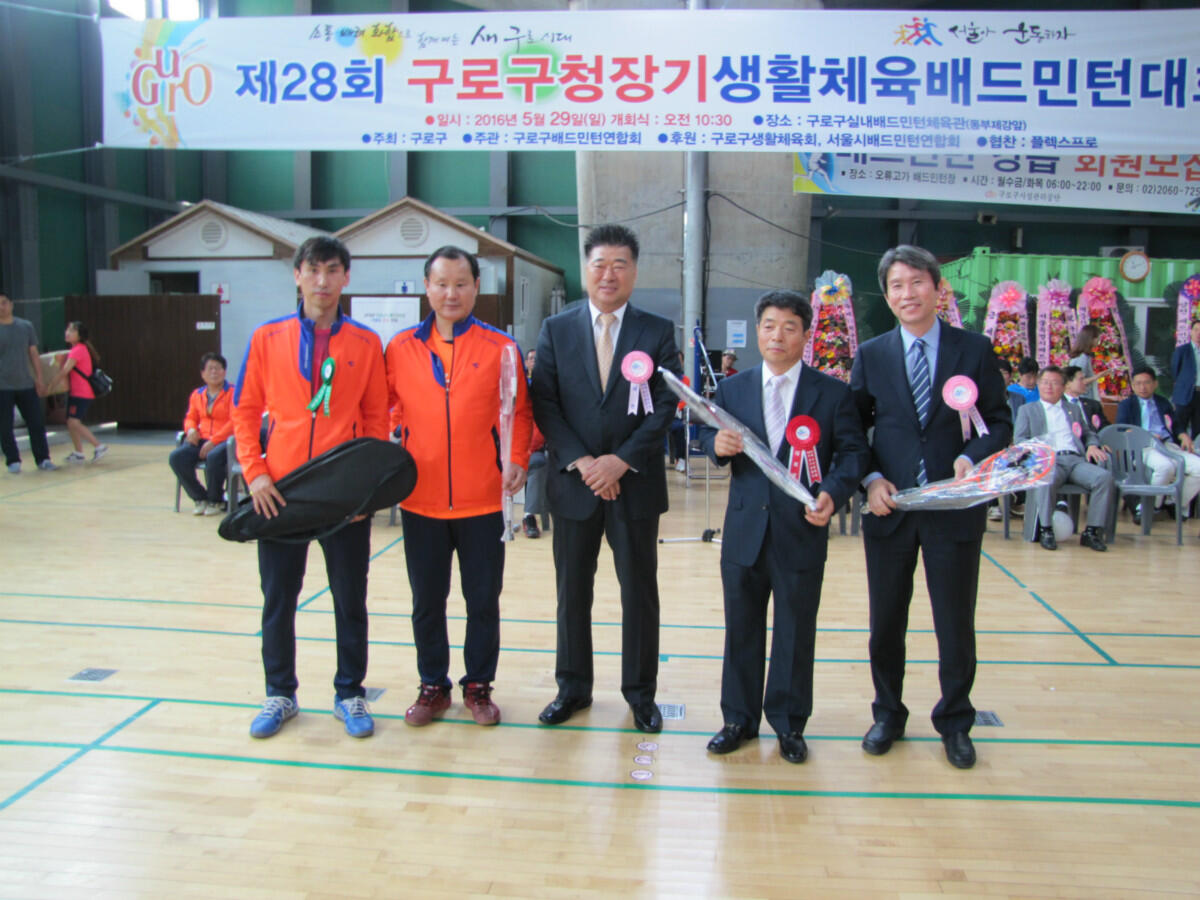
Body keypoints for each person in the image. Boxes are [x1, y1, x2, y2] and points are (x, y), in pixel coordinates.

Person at [850, 244, 1011, 770]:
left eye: (917, 282)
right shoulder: (871, 354)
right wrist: (871, 479)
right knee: (885, 623)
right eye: (896, 285)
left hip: (954, 507)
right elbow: (852, 430)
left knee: (955, 622)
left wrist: (971, 457)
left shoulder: (974, 350)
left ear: (938, 289)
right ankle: (887, 714)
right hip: (890, 510)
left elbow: (999, 421)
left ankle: (955, 722)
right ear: (887, 296)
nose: (907, 294)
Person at [698, 291, 868, 764]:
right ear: (758, 331)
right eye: (769, 325)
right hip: (744, 532)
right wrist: (716, 446)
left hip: (802, 530)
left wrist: (832, 493)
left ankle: (790, 724)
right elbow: (708, 436)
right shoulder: (733, 389)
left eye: (790, 327)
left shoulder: (832, 393)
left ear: (805, 335)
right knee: (741, 628)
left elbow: (853, 453)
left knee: (795, 631)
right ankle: (738, 719)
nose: (778, 335)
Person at [233, 236, 389, 740]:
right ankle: (280, 692)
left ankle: (350, 693)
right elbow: (244, 411)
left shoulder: (366, 343)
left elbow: (375, 421)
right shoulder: (266, 338)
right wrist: (256, 472)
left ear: (347, 277)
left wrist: (364, 492)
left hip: (344, 498)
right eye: (314, 270)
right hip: (280, 493)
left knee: (350, 598)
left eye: (333, 270)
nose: (323, 281)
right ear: (297, 275)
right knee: (278, 598)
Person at [530, 224, 681, 733]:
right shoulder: (557, 329)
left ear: (634, 271)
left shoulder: (657, 331)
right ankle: (572, 688)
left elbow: (667, 404)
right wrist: (584, 463)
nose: (609, 274)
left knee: (639, 593)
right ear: (585, 270)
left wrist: (621, 461)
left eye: (620, 264)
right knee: (572, 592)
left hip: (634, 486)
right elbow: (544, 402)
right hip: (575, 486)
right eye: (600, 264)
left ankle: (641, 695)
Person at [385, 246, 532, 727]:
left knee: (482, 601)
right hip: (420, 501)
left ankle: (478, 686)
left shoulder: (501, 348)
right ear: (426, 287)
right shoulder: (400, 348)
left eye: (461, 284)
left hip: (482, 501)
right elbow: (388, 407)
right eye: (442, 283)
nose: (452, 293)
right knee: (426, 602)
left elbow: (521, 413)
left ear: (476, 287)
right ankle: (433, 686)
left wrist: (516, 459)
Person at [1014, 365, 1113, 552]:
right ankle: (1046, 529)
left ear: (1063, 386)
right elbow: (1020, 440)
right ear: (1038, 385)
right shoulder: (1027, 410)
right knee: (1046, 476)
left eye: (1054, 383)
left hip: (1075, 460)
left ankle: (1092, 531)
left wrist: (1092, 445)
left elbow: (1088, 433)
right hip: (1049, 461)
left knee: (1103, 478)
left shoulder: (1073, 409)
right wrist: (1038, 453)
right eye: (1045, 382)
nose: (1049, 387)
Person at [1116, 365, 1200, 522]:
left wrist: (1183, 435)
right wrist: (1145, 435)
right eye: (1138, 383)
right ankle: (1150, 506)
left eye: (1147, 382)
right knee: (1165, 466)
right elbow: (1122, 429)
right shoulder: (1127, 405)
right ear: (1133, 386)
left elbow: (1176, 425)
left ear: (1155, 384)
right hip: (1143, 447)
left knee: (1198, 467)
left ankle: (1173, 502)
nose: (1143, 387)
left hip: (1166, 445)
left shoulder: (1163, 403)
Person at [168, 352, 234, 515]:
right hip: (202, 439)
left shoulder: (233, 393)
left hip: (226, 441)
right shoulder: (197, 395)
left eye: (218, 368)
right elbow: (190, 417)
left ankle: (215, 500)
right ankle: (200, 497)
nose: (214, 372)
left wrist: (214, 441)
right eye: (210, 369)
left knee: (214, 456)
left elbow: (235, 421)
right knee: (177, 457)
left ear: (224, 372)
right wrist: (191, 429)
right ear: (203, 374)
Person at [0, 293, 56, 473]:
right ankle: (13, 461)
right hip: (2, 387)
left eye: (4, 303)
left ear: (11, 304)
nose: (1, 307)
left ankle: (43, 459)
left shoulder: (26, 326)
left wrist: (39, 379)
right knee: (4, 426)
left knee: (36, 423)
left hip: (26, 384)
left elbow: (33, 354)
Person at [46, 321, 107, 464]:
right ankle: (79, 453)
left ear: (79, 335)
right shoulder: (78, 349)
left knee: (74, 422)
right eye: (67, 329)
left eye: (72, 330)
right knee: (71, 422)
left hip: (81, 393)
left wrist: (50, 387)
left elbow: (64, 371)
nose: (67, 333)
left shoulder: (78, 350)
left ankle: (99, 446)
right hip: (77, 392)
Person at [1169, 320, 1200, 439]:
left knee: (1198, 430)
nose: (1198, 333)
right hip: (1184, 394)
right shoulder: (1182, 350)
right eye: (1196, 330)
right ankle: (1177, 449)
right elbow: (1175, 371)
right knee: (1179, 427)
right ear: (1191, 332)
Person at [1062, 364, 1108, 432]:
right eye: (1081, 379)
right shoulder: (1056, 405)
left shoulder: (1093, 405)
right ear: (1067, 383)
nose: (1085, 382)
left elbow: (1106, 429)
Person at [1068, 324, 1102, 404]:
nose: (1098, 341)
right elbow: (1079, 380)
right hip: (1085, 399)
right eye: (1097, 338)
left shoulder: (1082, 356)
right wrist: (1098, 376)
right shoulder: (1083, 358)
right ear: (1091, 339)